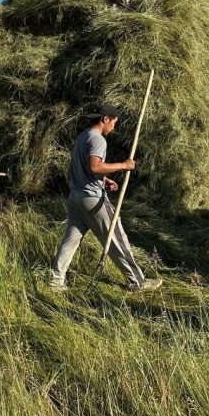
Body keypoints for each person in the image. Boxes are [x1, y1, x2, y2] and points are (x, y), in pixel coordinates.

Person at [49, 104, 162, 291]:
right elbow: (94, 167)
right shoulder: (98, 139)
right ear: (105, 119)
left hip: (76, 196)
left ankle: (56, 281)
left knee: (70, 240)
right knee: (117, 237)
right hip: (93, 200)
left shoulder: (83, 136)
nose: (114, 127)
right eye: (114, 123)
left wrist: (104, 179)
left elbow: (87, 168)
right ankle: (138, 281)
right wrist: (123, 165)